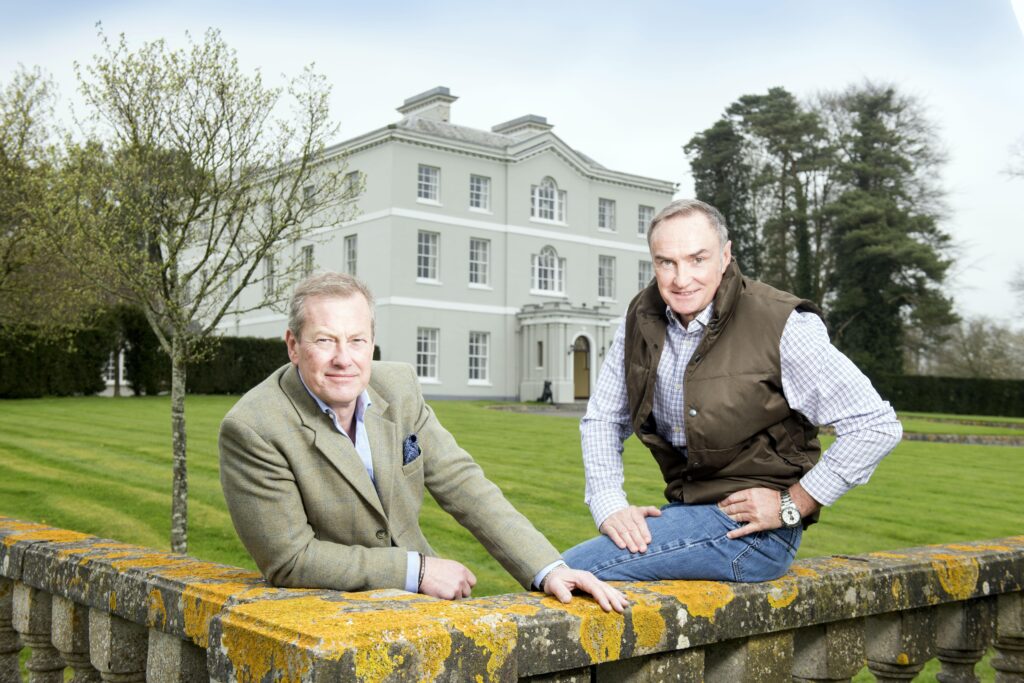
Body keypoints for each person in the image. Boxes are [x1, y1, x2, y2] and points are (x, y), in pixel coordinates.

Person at [219, 272, 626, 611]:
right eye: (325, 340)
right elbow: (290, 559)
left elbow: (461, 482)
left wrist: (547, 568)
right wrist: (416, 571)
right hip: (327, 614)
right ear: (293, 345)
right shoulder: (254, 427)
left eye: (357, 340)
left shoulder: (397, 386)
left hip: (423, 607)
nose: (344, 358)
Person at [563, 198, 902, 583]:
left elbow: (875, 425)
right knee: (566, 575)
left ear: (725, 256)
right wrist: (610, 505)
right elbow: (604, 418)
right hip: (688, 511)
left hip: (756, 534)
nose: (680, 278)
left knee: (570, 572)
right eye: (666, 263)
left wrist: (794, 504)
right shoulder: (640, 317)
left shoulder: (781, 324)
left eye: (697, 259)